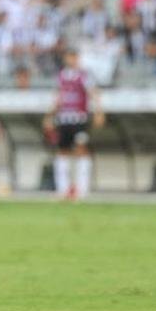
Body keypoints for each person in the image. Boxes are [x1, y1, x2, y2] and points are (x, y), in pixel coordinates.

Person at [45, 50, 103, 200]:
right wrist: (49, 116)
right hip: (63, 119)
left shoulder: (84, 75)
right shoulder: (61, 76)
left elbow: (93, 93)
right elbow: (58, 97)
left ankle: (82, 190)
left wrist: (98, 112)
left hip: (79, 119)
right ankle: (63, 190)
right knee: (62, 151)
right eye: (69, 57)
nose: (71, 60)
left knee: (81, 149)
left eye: (74, 57)